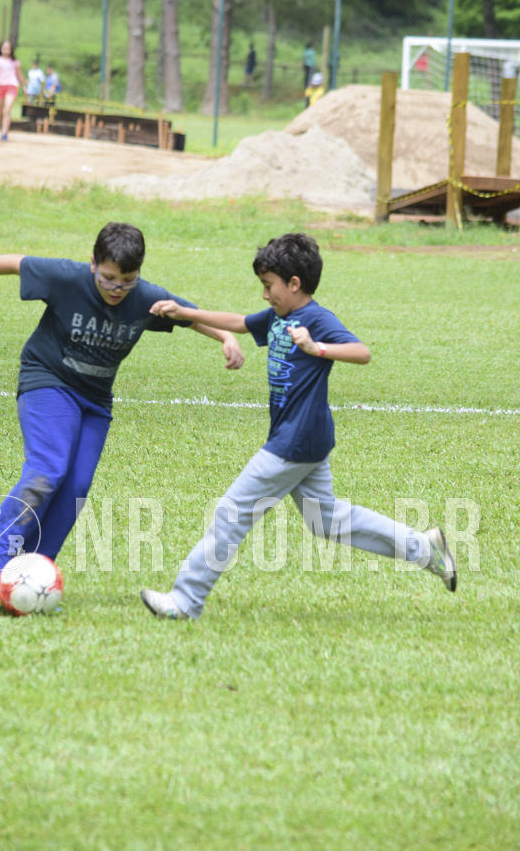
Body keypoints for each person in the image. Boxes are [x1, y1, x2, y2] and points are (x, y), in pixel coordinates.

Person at [141, 233, 457, 621]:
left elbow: (361, 352)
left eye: (268, 285)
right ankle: (424, 549)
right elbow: (240, 323)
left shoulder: (316, 320)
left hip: (294, 442)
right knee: (327, 521)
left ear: (294, 283)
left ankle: (186, 600)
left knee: (231, 513)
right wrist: (185, 312)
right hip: (305, 439)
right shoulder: (279, 316)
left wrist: (316, 348)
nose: (264, 294)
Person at [0, 223, 244, 612]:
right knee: (47, 470)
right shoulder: (68, 277)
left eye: (127, 280)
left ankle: (31, 574)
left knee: (76, 487)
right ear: (93, 263)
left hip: (95, 400)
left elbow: (187, 315)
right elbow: (16, 263)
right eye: (108, 278)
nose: (117, 288)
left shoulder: (144, 297)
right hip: (47, 380)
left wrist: (226, 337)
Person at [0, 40, 26, 141]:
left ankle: (4, 134)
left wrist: (24, 87)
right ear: (0, 49)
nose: (6, 50)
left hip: (12, 85)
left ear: (11, 50)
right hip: (0, 86)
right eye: (4, 48)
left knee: (7, 109)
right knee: (1, 111)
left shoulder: (14, 62)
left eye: (8, 48)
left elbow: (19, 75)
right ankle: (4, 126)